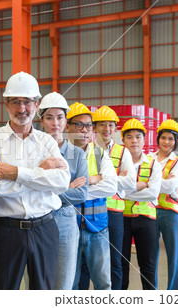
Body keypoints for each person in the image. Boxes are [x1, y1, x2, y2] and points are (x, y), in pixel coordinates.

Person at [0, 72, 70, 290]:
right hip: (6, 231)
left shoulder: (47, 141)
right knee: (5, 291)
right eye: (15, 102)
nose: (22, 108)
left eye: (27, 102)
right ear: (6, 104)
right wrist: (39, 175)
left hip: (45, 228)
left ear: (37, 104)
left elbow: (61, 182)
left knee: (44, 291)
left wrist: (15, 173)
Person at [38, 92, 89, 290]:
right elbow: (27, 188)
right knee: (38, 284)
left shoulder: (77, 154)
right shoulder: (33, 151)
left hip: (66, 222)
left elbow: (81, 194)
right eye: (49, 117)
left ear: (66, 121)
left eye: (60, 117)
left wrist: (45, 188)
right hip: (37, 220)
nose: (55, 123)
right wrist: (66, 187)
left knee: (64, 285)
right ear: (41, 120)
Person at [65, 102, 117, 290]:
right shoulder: (60, 154)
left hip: (98, 228)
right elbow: (57, 189)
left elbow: (111, 186)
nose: (85, 130)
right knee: (70, 283)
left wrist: (77, 189)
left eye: (88, 125)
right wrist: (94, 179)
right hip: (68, 228)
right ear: (67, 126)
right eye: (79, 124)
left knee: (103, 283)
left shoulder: (100, 154)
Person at [92, 106, 136, 290]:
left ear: (115, 128)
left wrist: (102, 179)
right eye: (102, 124)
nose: (107, 129)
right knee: (90, 261)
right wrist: (118, 178)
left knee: (115, 261)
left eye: (110, 125)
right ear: (94, 127)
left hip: (115, 213)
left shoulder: (122, 151)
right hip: (92, 210)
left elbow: (131, 183)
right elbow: (84, 181)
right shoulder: (88, 150)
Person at [120, 118, 162, 290]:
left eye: (138, 137)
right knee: (120, 264)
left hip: (147, 220)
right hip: (121, 219)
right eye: (129, 137)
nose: (134, 140)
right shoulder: (116, 162)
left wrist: (124, 190)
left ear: (144, 140)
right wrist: (139, 187)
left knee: (148, 266)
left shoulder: (154, 164)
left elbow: (153, 193)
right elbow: (112, 189)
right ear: (122, 140)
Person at [149, 119, 178, 290]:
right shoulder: (148, 158)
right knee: (150, 257)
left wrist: (153, 182)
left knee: (175, 256)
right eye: (163, 138)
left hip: (171, 213)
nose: (167, 142)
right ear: (158, 139)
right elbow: (140, 180)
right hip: (150, 212)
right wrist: (162, 181)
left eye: (171, 138)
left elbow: (172, 186)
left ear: (176, 141)